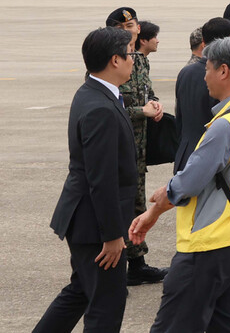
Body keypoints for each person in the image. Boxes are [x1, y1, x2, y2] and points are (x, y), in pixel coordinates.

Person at [129, 37, 230, 332]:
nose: (205, 77)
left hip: (208, 246)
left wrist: (152, 212)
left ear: (224, 71)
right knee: (226, 326)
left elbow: (185, 185)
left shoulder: (225, 126)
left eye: (208, 69)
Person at [34, 28, 137, 333]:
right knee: (107, 304)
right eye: (130, 53)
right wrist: (113, 235)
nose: (133, 59)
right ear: (115, 60)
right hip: (95, 225)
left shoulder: (94, 92)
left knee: (80, 291)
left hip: (85, 218)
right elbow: (101, 179)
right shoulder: (101, 107)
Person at [105, 7, 167, 286]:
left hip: (139, 147)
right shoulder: (110, 61)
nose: (131, 28)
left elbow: (145, 92)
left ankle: (137, 263)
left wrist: (154, 103)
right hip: (121, 145)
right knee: (121, 203)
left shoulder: (138, 61)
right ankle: (120, 265)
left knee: (137, 202)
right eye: (124, 25)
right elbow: (112, 108)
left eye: (133, 24)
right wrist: (142, 111)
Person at [174, 17, 230, 174]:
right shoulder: (224, 75)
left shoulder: (186, 72)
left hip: (185, 156)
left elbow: (179, 118)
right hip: (210, 159)